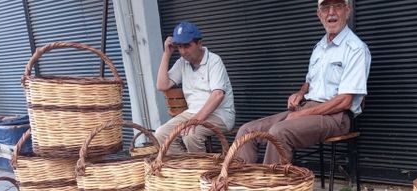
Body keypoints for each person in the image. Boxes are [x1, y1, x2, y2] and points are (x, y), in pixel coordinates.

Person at [234, 0, 371, 164]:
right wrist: (300, 94)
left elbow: (345, 101)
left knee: (279, 132)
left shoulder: (355, 49)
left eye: (338, 6)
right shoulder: (319, 47)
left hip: (336, 116)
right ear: (319, 14)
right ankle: (240, 186)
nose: (331, 12)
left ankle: (271, 187)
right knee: (247, 131)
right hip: (307, 108)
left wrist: (301, 114)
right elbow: (309, 82)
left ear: (347, 11)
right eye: (325, 7)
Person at [155, 21, 235, 153]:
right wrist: (166, 54)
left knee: (190, 135)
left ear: (199, 43)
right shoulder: (182, 63)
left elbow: (218, 95)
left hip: (220, 115)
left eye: (186, 46)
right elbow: (162, 85)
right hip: (192, 113)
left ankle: (202, 171)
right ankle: (186, 167)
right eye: (179, 47)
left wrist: (195, 120)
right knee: (161, 134)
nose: (182, 51)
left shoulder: (214, 60)